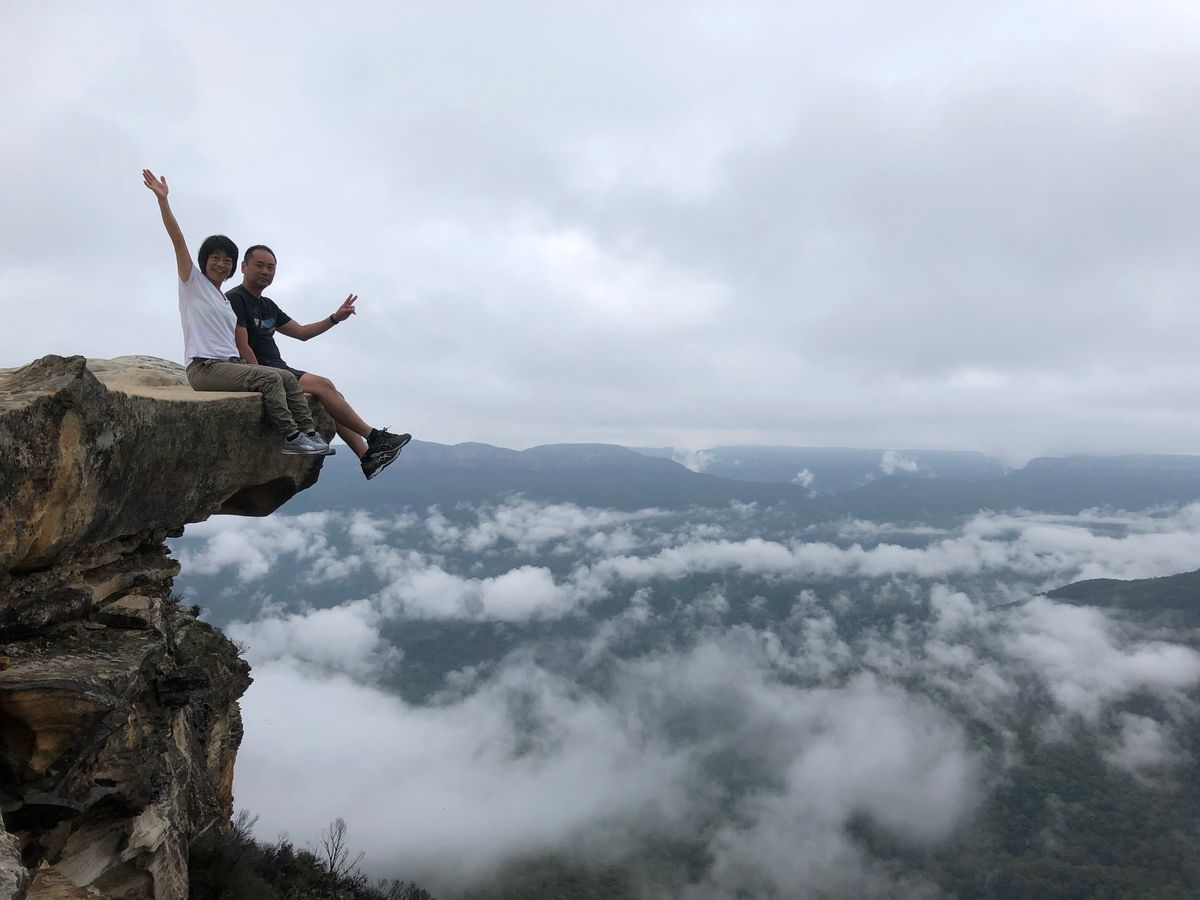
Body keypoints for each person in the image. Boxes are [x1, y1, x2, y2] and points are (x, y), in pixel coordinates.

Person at [142, 170, 330, 456]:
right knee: (270, 379)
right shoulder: (192, 284)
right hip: (204, 369)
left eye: (227, 260)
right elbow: (177, 239)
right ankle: (291, 437)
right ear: (204, 260)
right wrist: (163, 201)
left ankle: (309, 433)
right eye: (215, 258)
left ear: (234, 266)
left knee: (285, 377)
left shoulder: (224, 300)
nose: (221, 264)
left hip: (230, 365)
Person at [226, 244, 411, 479]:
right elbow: (242, 344)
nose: (265, 271)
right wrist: (260, 375)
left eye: (271, 267)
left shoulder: (267, 305)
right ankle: (375, 437)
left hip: (278, 367)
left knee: (333, 396)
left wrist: (335, 318)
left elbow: (302, 332)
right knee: (324, 385)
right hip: (263, 371)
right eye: (259, 265)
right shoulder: (235, 299)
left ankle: (367, 457)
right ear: (244, 267)